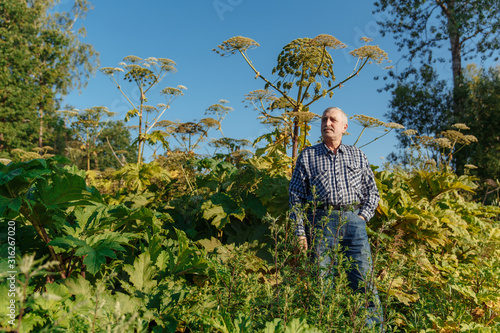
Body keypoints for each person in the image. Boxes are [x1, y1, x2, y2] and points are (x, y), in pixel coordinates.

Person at [288, 106, 383, 327]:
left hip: (353, 221)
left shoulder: (357, 154)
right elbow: (295, 197)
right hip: (321, 221)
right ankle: (327, 327)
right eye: (324, 119)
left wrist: (362, 218)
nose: (327, 123)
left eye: (332, 120)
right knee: (322, 283)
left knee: (363, 280)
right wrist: (300, 233)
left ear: (344, 127)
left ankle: (371, 329)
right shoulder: (308, 155)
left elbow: (372, 192)